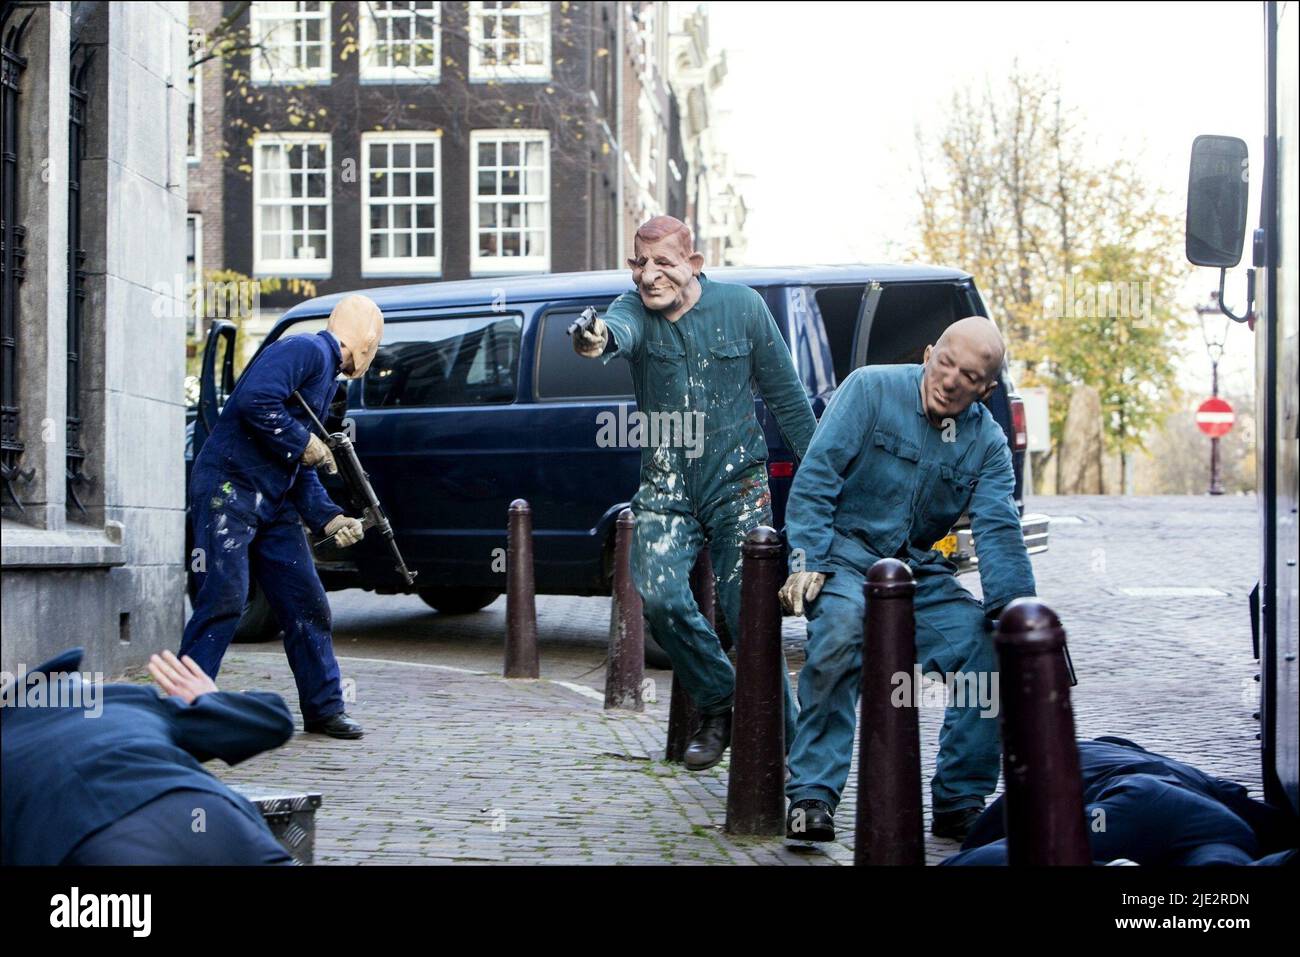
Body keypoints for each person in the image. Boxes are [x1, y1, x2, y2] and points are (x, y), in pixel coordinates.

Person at [572, 215, 817, 769]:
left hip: (738, 484)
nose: (649, 276)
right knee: (656, 591)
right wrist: (593, 337)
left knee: (750, 614)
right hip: (664, 486)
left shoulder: (744, 308)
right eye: (639, 262)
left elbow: (789, 400)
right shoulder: (631, 309)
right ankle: (721, 700)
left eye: (664, 263)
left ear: (695, 265)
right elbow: (611, 334)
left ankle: (795, 758)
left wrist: (828, 479)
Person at [780, 316, 1036, 841]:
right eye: (945, 363)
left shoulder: (987, 445)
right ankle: (812, 795)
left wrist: (1020, 617)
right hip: (845, 557)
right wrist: (805, 560)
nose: (949, 381)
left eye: (968, 376)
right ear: (927, 354)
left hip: (919, 571)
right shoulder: (869, 389)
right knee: (840, 636)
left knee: (985, 649)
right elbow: (817, 477)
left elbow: (998, 529)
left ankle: (960, 799)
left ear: (985, 391)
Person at [180, 295, 384, 739]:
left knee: (306, 601)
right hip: (228, 490)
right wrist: (302, 440)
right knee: (224, 599)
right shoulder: (307, 350)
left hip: (271, 502)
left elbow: (298, 467)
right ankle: (182, 708)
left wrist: (328, 518)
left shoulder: (329, 380)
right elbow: (254, 401)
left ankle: (324, 709)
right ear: (367, 340)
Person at [1, 648, 295, 866]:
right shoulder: (120, 701)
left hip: (99, 849)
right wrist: (210, 701)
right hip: (218, 821)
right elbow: (273, 722)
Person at [942, 736, 1299, 865]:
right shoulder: (1176, 768)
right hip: (1216, 825)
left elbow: (1004, 825)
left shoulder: (1072, 755)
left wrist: (972, 849)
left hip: (1138, 802)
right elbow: (1238, 795)